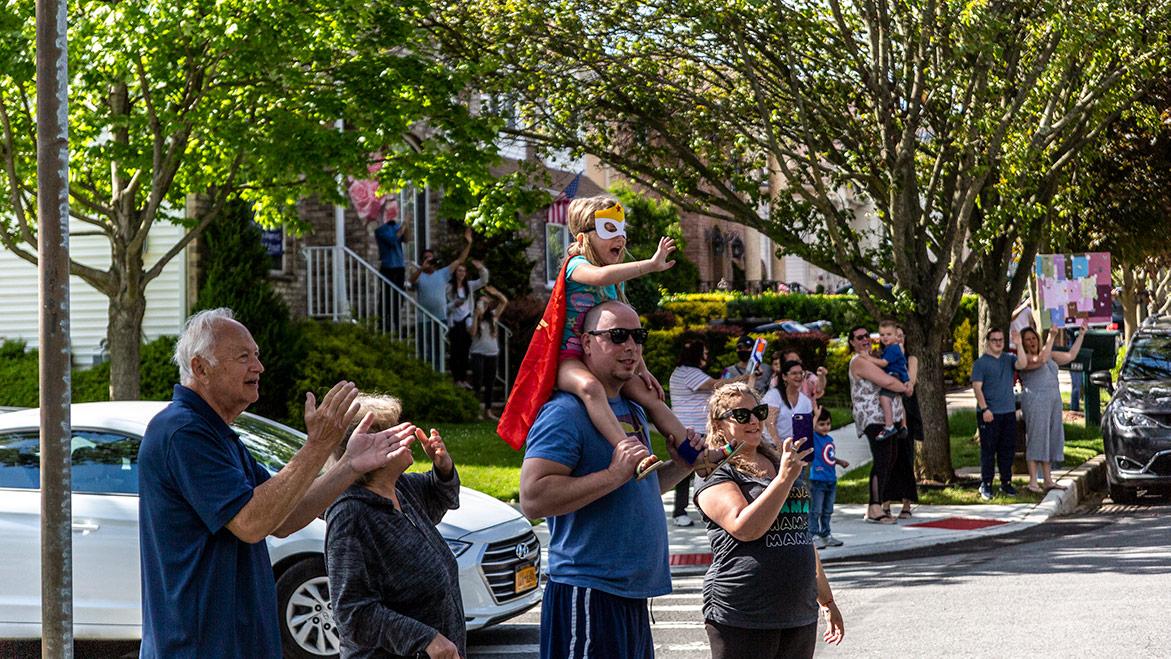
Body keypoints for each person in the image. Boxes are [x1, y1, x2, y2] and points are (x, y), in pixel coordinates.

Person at [137, 308, 401, 657]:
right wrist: (318, 445)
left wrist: (349, 466)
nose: (258, 367)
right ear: (201, 368)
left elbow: (285, 517)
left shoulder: (214, 432)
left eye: (257, 355)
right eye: (243, 357)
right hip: (200, 647)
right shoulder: (183, 431)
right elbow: (251, 523)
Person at [520, 300, 703, 658]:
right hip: (588, 592)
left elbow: (637, 485)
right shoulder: (564, 413)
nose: (631, 346)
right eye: (617, 336)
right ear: (586, 343)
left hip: (633, 594)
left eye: (638, 336)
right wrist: (611, 474)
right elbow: (533, 498)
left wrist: (681, 465)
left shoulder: (631, 408)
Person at [694, 383, 845, 658]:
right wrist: (784, 478)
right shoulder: (716, 472)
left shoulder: (778, 462)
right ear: (719, 425)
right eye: (741, 415)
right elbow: (745, 528)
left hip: (798, 612)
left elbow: (801, 534)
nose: (753, 421)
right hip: (744, 612)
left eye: (759, 412)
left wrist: (827, 599)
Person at [551, 196, 689, 479]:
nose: (621, 239)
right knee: (590, 388)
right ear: (583, 238)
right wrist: (649, 265)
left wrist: (643, 368)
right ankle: (631, 453)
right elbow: (600, 277)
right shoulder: (576, 265)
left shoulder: (615, 278)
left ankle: (694, 453)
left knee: (649, 395)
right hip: (570, 359)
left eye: (623, 232)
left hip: (603, 358)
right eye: (610, 231)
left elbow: (626, 333)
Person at [325, 394, 465, 658]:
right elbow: (353, 613)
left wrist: (443, 468)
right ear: (366, 450)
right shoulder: (350, 515)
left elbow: (441, 500)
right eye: (394, 431)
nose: (408, 433)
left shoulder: (401, 489)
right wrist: (427, 639)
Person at [669, 339, 754, 527]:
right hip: (691, 431)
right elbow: (715, 385)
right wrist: (743, 378)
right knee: (689, 471)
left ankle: (699, 508)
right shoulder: (688, 373)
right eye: (704, 353)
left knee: (698, 471)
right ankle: (681, 511)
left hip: (691, 430)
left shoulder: (684, 372)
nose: (706, 357)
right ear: (696, 355)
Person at [846, 325, 911, 523]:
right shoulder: (859, 361)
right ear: (852, 342)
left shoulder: (873, 357)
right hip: (872, 418)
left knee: (889, 459)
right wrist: (906, 388)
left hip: (886, 418)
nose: (864, 339)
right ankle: (874, 507)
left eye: (867, 335)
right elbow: (888, 382)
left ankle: (878, 505)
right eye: (859, 337)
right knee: (882, 459)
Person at [1013, 322, 1087, 492]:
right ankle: (1033, 481)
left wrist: (1081, 335)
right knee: (1037, 437)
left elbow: (1070, 356)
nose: (1031, 342)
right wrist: (1051, 336)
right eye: (1027, 340)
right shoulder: (1023, 359)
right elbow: (1041, 360)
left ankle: (1047, 479)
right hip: (1035, 400)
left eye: (1033, 338)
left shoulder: (1049, 354)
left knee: (1051, 438)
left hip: (1053, 400)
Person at [410, 227, 473, 365]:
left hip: (440, 318)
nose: (428, 261)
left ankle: (438, 375)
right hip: (423, 319)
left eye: (430, 258)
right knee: (424, 350)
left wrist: (468, 243)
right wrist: (421, 268)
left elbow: (460, 260)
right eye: (425, 258)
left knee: (439, 349)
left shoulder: (442, 273)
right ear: (421, 260)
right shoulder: (419, 275)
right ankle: (425, 373)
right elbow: (410, 282)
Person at [971, 327, 1019, 500]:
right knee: (989, 450)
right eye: (994, 340)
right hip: (989, 413)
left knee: (1007, 449)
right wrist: (985, 409)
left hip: (1008, 412)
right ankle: (987, 484)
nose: (998, 343)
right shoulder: (981, 363)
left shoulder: (1009, 359)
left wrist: (1019, 344)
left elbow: (1023, 365)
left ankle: (1006, 483)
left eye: (1001, 340)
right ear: (987, 342)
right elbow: (977, 388)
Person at [884, 326, 921, 519]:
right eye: (893, 336)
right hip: (888, 411)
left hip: (906, 410)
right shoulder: (883, 358)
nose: (897, 340)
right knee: (887, 458)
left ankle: (907, 503)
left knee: (906, 457)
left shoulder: (910, 359)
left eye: (900, 336)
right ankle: (885, 503)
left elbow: (909, 384)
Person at [859, 319, 910, 440]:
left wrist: (867, 358)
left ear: (896, 336)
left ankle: (889, 426)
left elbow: (883, 363)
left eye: (888, 334)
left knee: (884, 398)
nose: (885, 337)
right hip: (898, 375)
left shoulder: (893, 348)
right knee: (898, 401)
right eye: (882, 335)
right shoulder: (890, 348)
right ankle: (903, 425)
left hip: (895, 375)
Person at [809, 406, 849, 548]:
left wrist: (839, 461)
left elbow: (828, 456)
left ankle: (826, 534)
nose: (825, 427)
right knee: (816, 510)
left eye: (828, 423)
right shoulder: (813, 438)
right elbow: (808, 430)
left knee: (828, 510)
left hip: (830, 479)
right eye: (821, 424)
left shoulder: (829, 439)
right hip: (817, 479)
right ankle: (813, 534)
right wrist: (815, 416)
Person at [446, 259, 489, 388]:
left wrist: (482, 269)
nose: (461, 273)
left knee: (465, 351)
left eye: (464, 271)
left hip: (466, 319)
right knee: (455, 351)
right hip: (454, 321)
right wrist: (454, 304)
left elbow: (483, 281)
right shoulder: (448, 287)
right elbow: (445, 307)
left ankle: (463, 379)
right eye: (459, 271)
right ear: (455, 272)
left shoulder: (469, 286)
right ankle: (456, 378)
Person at [469, 285, 508, 419]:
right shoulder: (470, 318)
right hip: (477, 353)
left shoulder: (492, 316)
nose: (484, 305)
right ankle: (476, 411)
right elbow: (473, 332)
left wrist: (496, 293)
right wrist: (476, 315)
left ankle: (488, 411)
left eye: (486, 302)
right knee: (478, 383)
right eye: (481, 303)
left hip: (492, 353)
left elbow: (504, 302)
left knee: (490, 383)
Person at [763, 359, 814, 449]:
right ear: (784, 376)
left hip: (795, 448)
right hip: (772, 447)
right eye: (794, 373)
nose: (798, 376)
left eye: (801, 373)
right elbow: (769, 424)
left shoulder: (806, 401)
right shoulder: (774, 395)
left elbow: (806, 429)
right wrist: (780, 448)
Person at [374, 215, 409, 329]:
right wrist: (403, 225)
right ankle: (383, 324)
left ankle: (396, 323)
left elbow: (407, 239)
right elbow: (393, 240)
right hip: (388, 267)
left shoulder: (397, 226)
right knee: (386, 297)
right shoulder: (381, 229)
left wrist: (407, 225)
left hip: (399, 267)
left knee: (398, 297)